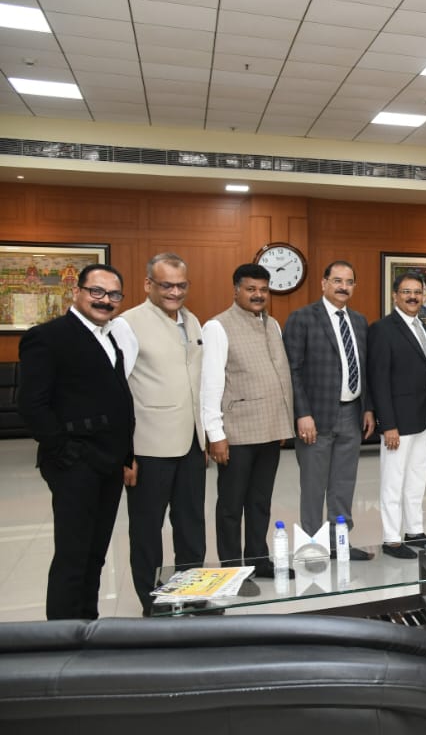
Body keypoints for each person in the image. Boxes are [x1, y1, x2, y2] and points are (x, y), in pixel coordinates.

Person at [18, 264, 134, 620]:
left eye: (114, 294)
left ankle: (87, 625)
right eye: (97, 291)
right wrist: (64, 452)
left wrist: (125, 455)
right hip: (75, 465)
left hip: (109, 463)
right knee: (73, 556)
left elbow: (117, 398)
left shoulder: (109, 336)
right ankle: (62, 637)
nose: (105, 300)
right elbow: (32, 405)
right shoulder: (48, 337)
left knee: (95, 554)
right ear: (77, 292)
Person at [114, 252, 206, 614]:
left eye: (181, 285)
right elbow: (117, 391)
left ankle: (192, 593)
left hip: (191, 443)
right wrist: (125, 452)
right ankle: (152, 601)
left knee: (191, 525)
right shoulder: (127, 324)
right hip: (149, 446)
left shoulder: (192, 320)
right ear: (148, 284)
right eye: (166, 285)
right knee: (147, 529)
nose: (175, 292)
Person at [201, 263, 295, 577]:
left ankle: (258, 559)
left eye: (263, 290)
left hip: (269, 430)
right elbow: (211, 384)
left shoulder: (273, 324)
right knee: (231, 506)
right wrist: (215, 434)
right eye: (251, 289)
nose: (258, 295)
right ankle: (231, 569)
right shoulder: (217, 327)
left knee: (260, 501)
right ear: (236, 290)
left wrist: (282, 422)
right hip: (236, 433)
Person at [283, 260, 375, 560]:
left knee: (343, 484)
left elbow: (364, 368)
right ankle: (313, 548)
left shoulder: (359, 321)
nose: (343, 287)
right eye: (337, 280)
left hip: (352, 413)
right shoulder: (302, 318)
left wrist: (368, 408)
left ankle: (340, 543)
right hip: (316, 416)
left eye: (348, 282)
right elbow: (292, 371)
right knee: (314, 486)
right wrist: (302, 413)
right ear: (324, 283)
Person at [367, 272, 426, 559]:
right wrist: (388, 424)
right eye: (406, 292)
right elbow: (379, 380)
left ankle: (414, 530)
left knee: (416, 478)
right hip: (397, 422)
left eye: (417, 292)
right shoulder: (383, 329)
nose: (413, 297)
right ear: (395, 296)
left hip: (423, 419)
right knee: (393, 481)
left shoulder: (421, 326)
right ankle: (391, 539)